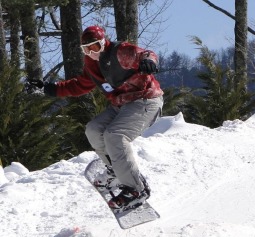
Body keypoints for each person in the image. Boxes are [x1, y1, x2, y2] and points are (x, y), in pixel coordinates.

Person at [28, 25, 164, 212]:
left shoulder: (120, 52)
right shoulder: (92, 65)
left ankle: (136, 190)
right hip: (121, 104)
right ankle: (116, 170)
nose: (92, 53)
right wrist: (48, 88)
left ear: (103, 43)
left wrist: (149, 61)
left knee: (114, 135)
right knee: (93, 129)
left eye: (95, 47)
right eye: (86, 49)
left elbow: (145, 54)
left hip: (145, 100)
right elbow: (79, 85)